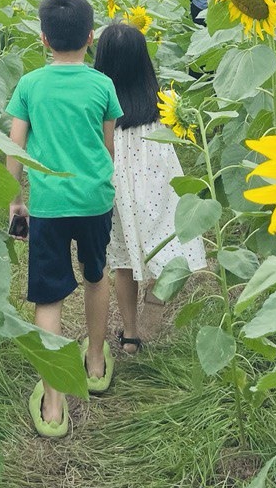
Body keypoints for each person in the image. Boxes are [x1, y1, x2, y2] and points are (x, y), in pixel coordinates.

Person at [5, 0, 123, 439]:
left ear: (43, 39)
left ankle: (53, 404)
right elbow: (108, 147)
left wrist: (16, 201)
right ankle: (95, 362)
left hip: (50, 205)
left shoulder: (31, 85)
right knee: (96, 276)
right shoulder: (102, 85)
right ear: (90, 38)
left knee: (48, 298)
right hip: (94, 199)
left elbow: (14, 149)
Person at [94, 21, 206, 353]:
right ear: (144, 62)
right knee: (168, 250)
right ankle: (152, 316)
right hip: (159, 188)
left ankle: (130, 335)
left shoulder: (100, 104)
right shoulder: (163, 102)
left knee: (124, 261)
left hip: (117, 190)